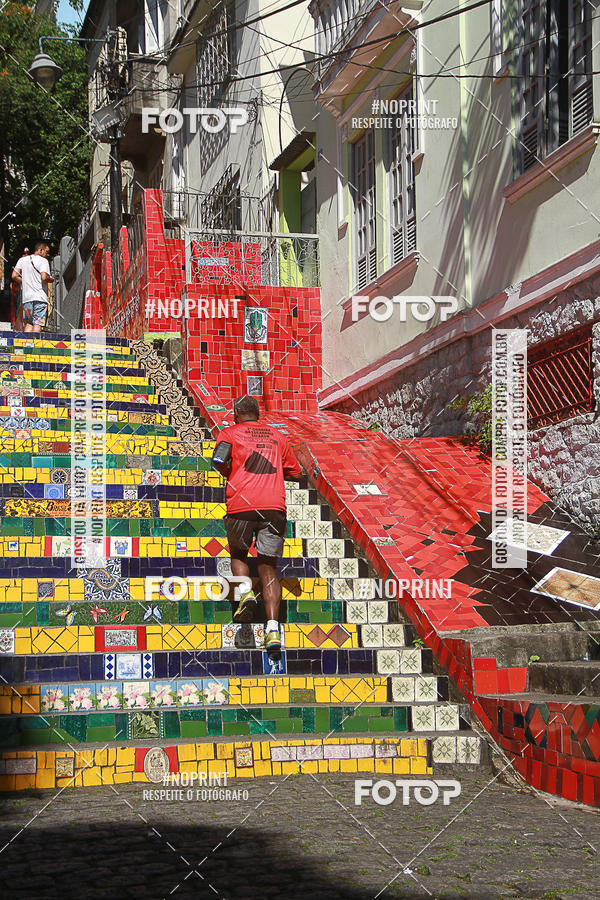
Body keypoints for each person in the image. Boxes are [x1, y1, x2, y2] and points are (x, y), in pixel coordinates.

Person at [212, 395, 303, 655]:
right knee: (269, 568)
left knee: (239, 553)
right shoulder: (278, 437)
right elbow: (297, 473)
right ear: (258, 414)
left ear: (236, 413)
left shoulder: (229, 433)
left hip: (240, 504)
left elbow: (218, 460)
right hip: (274, 507)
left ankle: (245, 593)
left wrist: (231, 473)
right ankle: (272, 629)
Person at [11, 241, 54, 333]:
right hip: (40, 299)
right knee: (38, 323)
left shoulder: (22, 260)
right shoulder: (43, 261)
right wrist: (51, 279)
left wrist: (25, 282)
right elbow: (44, 277)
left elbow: (14, 275)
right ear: (40, 250)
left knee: (29, 323)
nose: (48, 254)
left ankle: (27, 342)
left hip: (27, 299)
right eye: (46, 252)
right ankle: (35, 342)